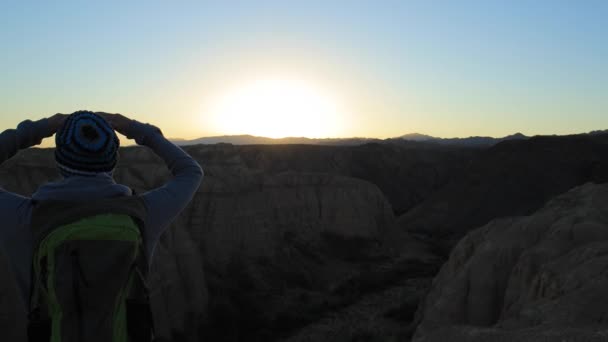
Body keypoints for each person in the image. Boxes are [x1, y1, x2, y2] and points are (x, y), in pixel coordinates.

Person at [0, 110, 203, 341]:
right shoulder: (143, 214)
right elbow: (191, 171)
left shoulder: (24, 218)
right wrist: (136, 129)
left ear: (59, 161)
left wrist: (42, 127)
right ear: (113, 161)